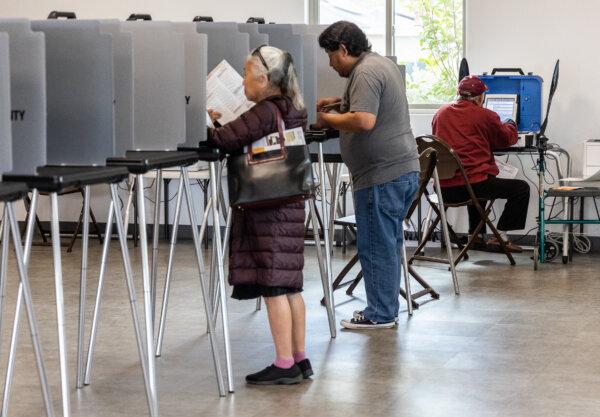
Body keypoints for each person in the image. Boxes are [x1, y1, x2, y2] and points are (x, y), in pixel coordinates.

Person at [207, 45, 312, 385]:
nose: (243, 85)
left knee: (274, 288)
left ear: (264, 80)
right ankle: (300, 358)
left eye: (247, 77)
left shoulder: (265, 111)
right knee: (290, 286)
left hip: (267, 209)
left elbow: (224, 140)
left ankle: (283, 364)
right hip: (289, 204)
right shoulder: (293, 107)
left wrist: (207, 122)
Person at [313, 21, 419, 330]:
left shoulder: (365, 72)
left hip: (381, 175)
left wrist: (328, 120)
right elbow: (371, 103)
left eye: (330, 55)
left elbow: (364, 119)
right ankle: (386, 309)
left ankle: (380, 313)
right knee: (387, 243)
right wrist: (337, 103)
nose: (330, 64)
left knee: (375, 246)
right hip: (399, 170)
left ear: (343, 49)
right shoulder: (379, 64)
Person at [432, 75, 530, 252]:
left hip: (442, 189)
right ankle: (500, 236)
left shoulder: (440, 113)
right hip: (471, 188)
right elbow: (506, 138)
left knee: (475, 177)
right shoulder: (484, 115)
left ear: (458, 93)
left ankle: (475, 237)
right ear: (480, 98)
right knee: (520, 188)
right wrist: (511, 123)